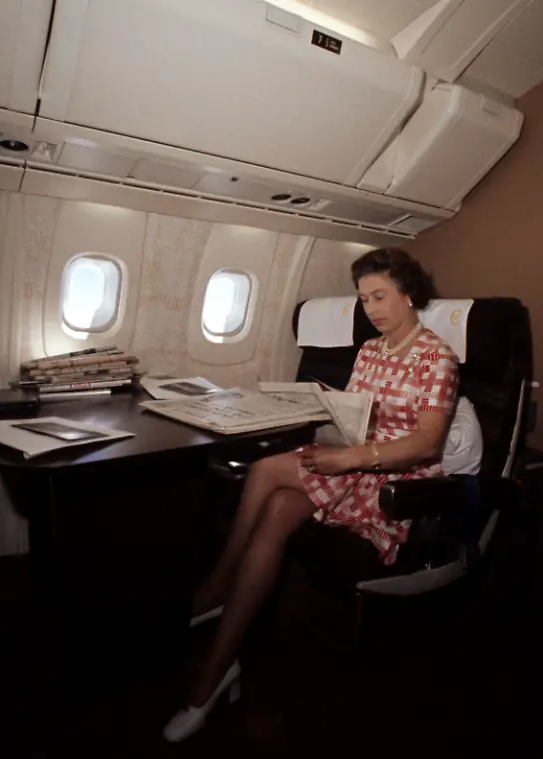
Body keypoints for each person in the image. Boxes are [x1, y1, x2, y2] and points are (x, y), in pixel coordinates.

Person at [163, 247, 461, 742]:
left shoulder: (438, 359)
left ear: (409, 293)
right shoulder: (370, 351)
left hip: (392, 484)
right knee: (273, 494)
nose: (372, 309)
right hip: (353, 463)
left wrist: (345, 458)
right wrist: (324, 419)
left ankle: (215, 595)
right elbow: (359, 420)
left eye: (380, 296)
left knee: (265, 476)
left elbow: (426, 443)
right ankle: (216, 671)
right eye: (365, 300)